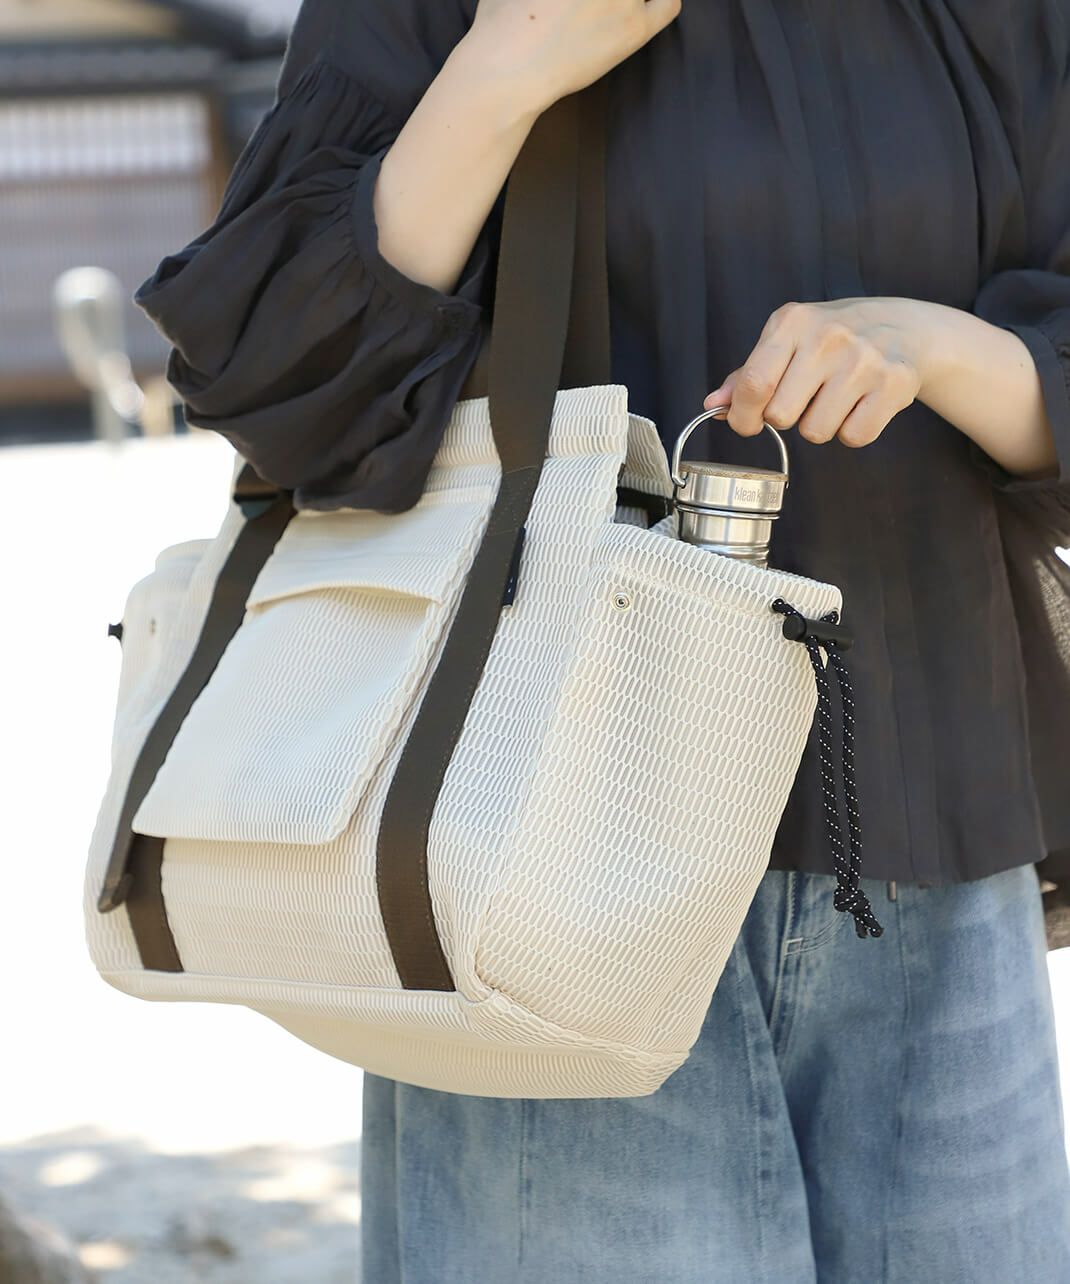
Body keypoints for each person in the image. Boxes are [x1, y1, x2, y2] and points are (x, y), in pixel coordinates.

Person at [134, 1, 1070, 1279]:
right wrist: (501, 70)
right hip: (534, 855)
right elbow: (281, 390)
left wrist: (941, 351)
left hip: (931, 844)